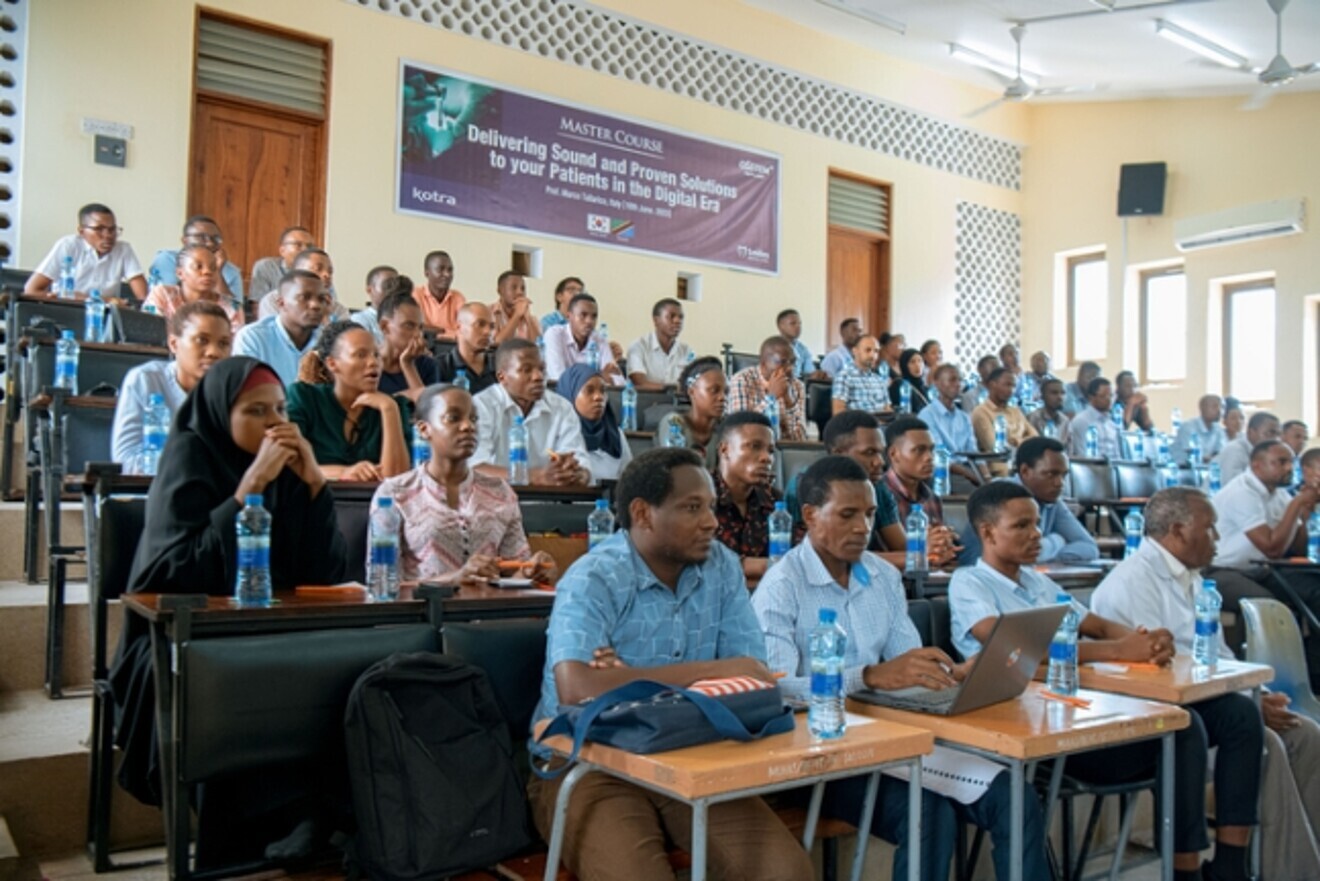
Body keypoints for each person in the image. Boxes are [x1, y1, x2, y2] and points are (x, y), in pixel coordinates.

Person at [754, 456, 1051, 881]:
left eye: (871, 514)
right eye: (847, 514)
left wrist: (949, 675)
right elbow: (778, 691)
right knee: (927, 813)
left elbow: (907, 664)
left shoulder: (882, 576)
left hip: (892, 736)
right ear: (809, 516)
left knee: (1013, 795)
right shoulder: (782, 586)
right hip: (818, 755)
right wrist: (869, 676)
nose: (863, 527)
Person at [527, 447, 814, 881]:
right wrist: (715, 670)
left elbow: (752, 671)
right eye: (692, 508)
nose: (712, 522)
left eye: (712, 507)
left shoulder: (719, 566)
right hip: (589, 762)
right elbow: (576, 688)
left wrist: (627, 680)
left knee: (787, 873)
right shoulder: (593, 578)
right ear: (643, 514)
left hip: (693, 751)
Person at [950, 481, 1259, 881]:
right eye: (1021, 526)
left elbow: (1094, 624)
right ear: (988, 532)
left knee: (1238, 714)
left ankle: (1230, 864)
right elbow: (1009, 648)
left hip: (1077, 709)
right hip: (1030, 728)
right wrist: (1118, 652)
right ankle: (1185, 871)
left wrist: (1143, 640)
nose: (1036, 535)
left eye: (1037, 525)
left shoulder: (1039, 583)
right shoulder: (969, 584)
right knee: (1182, 729)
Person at [109, 357, 348, 867]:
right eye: (256, 411)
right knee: (224, 680)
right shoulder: (187, 457)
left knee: (330, 666)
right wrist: (247, 492)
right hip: (170, 641)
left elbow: (322, 573)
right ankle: (278, 825)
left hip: (263, 625)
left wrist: (313, 486)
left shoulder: (287, 467)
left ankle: (311, 819)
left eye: (282, 410)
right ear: (222, 412)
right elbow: (174, 573)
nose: (274, 424)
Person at [1092, 486, 1320, 881]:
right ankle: (1287, 871)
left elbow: (1220, 657)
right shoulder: (1133, 582)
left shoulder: (1195, 581)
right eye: (1210, 529)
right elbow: (1158, 668)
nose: (1217, 539)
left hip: (1210, 702)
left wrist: (1258, 693)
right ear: (1178, 531)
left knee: (1307, 734)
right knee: (1267, 744)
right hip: (1159, 713)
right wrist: (1246, 697)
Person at [370, 384, 554, 584]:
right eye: (453, 418)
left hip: (490, 612)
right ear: (424, 429)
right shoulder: (394, 493)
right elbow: (381, 583)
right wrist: (455, 578)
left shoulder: (500, 491)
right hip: (425, 612)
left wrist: (532, 572)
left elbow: (516, 575)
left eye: (473, 418)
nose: (468, 426)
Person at [1209, 441, 1320, 664]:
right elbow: (1271, 548)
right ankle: (1259, 673)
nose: (1289, 468)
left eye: (1290, 462)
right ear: (1257, 465)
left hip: (1263, 569)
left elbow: (1296, 549)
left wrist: (1305, 511)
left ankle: (1314, 673)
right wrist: (1297, 503)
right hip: (1222, 571)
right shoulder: (1242, 492)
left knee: (1316, 589)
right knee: (1265, 603)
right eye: (1281, 462)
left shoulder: (1279, 496)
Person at [112, 301, 233, 473]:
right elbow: (126, 459)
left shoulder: (231, 390)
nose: (214, 352)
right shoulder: (146, 380)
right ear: (174, 344)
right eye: (202, 340)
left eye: (223, 344)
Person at [288, 320, 412, 482]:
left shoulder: (394, 406)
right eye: (361, 355)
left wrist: (388, 409)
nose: (373, 362)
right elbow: (289, 464)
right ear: (333, 363)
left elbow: (396, 479)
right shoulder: (305, 398)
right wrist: (343, 473)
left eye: (376, 355)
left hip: (373, 505)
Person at [784, 411, 903, 567]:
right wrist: (914, 558)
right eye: (869, 453)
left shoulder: (876, 485)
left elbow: (904, 548)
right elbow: (825, 558)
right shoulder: (805, 485)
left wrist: (933, 549)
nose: (880, 462)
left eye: (881, 453)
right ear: (838, 453)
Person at [957, 437, 1098, 565]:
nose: (1060, 483)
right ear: (1025, 471)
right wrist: (1056, 541)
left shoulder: (1052, 501)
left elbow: (1089, 547)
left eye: (1063, 475)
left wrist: (1051, 556)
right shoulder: (1001, 497)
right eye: (1051, 474)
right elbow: (1016, 555)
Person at [472, 339, 590, 486]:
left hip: (547, 502)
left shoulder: (562, 407)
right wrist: (534, 477)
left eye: (542, 369)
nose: (538, 377)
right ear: (502, 377)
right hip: (493, 501)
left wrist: (576, 474)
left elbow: (581, 464)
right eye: (526, 370)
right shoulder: (481, 406)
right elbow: (474, 469)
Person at [26, 202, 147, 301]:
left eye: (112, 229)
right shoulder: (68, 246)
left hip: (103, 317)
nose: (108, 235)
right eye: (99, 229)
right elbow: (31, 290)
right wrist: (103, 300)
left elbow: (144, 298)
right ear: (81, 231)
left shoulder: (123, 250)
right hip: (65, 311)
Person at [879, 417, 960, 563]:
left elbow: (936, 550)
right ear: (893, 454)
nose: (929, 457)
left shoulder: (931, 497)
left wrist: (945, 542)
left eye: (931, 450)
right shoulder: (878, 494)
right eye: (919, 450)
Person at [711, 412, 780, 581]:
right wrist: (762, 566)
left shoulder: (774, 501)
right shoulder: (700, 497)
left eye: (770, 451)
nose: (767, 458)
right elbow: (695, 558)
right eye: (755, 446)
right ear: (724, 449)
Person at [232, 270, 327, 386]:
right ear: (281, 303)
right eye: (304, 297)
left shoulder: (328, 341)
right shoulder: (253, 337)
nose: (316, 305)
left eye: (322, 299)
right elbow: (247, 391)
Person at [555, 364, 633, 484]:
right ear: (570, 395)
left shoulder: (616, 435)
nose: (598, 397)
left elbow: (629, 481)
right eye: (589, 391)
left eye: (602, 391)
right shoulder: (557, 434)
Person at [148, 215, 243, 310]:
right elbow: (165, 297)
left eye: (215, 238)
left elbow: (233, 310)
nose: (210, 243)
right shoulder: (167, 259)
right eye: (201, 237)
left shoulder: (232, 272)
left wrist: (218, 270)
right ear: (184, 241)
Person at [144, 245, 245, 328]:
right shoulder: (162, 294)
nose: (207, 272)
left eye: (213, 268)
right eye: (198, 267)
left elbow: (234, 348)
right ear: (180, 273)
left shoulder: (232, 308)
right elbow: (150, 332)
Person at [727, 336, 807, 440]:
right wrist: (771, 398)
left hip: (782, 451)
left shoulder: (797, 385)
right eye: (782, 362)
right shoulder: (742, 380)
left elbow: (799, 440)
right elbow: (741, 431)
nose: (790, 368)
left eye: (793, 362)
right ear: (763, 364)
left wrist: (790, 403)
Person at [655, 356, 727, 469]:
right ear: (692, 391)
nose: (722, 397)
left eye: (725, 392)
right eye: (714, 390)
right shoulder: (674, 423)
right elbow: (675, 471)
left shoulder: (726, 429)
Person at [544, 292, 623, 385]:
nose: (589, 321)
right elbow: (559, 378)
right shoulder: (554, 335)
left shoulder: (599, 340)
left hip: (592, 397)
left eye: (594, 316)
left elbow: (619, 381)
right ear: (569, 316)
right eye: (583, 315)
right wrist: (600, 378)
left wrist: (607, 379)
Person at [971, 367, 1037, 474]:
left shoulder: (1015, 411)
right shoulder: (981, 412)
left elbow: (1035, 437)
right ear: (992, 385)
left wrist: (1016, 441)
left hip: (1022, 461)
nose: (1011, 390)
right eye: (1007, 385)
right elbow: (994, 445)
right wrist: (1022, 440)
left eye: (1014, 386)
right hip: (1000, 466)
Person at [375, 290, 438, 400]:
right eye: (409, 326)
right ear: (384, 326)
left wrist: (408, 364)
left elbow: (427, 409)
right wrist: (402, 396)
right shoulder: (369, 364)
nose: (417, 334)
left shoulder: (427, 365)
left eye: (420, 327)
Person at [258, 248, 350, 322]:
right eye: (318, 269)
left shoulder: (339, 310)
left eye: (330, 272)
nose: (326, 275)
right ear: (297, 271)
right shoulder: (273, 301)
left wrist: (325, 318)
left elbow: (341, 342)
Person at [625, 298, 691, 389]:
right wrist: (674, 390)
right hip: (646, 401)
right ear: (656, 320)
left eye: (681, 317)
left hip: (679, 402)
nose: (677, 321)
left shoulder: (686, 350)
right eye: (671, 316)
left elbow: (693, 383)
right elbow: (640, 383)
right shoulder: (638, 347)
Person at [436, 302, 498, 394]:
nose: (488, 332)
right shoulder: (440, 367)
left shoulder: (500, 366)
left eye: (492, 327)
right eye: (480, 324)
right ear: (459, 327)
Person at [249, 226, 315, 302]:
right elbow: (258, 306)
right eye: (298, 245)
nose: (305, 250)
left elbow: (328, 308)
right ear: (282, 250)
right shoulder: (266, 267)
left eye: (310, 246)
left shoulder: (320, 270)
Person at [1216, 411, 1281, 485]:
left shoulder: (1265, 453)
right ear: (1251, 432)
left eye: (1278, 434)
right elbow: (1233, 485)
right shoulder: (1234, 450)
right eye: (1270, 433)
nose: (1276, 439)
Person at [1066, 376, 1123, 459]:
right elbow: (1083, 455)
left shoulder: (1112, 424)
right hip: (1090, 468)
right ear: (1091, 398)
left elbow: (1117, 456)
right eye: (1103, 396)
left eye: (1111, 396)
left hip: (1112, 468)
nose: (1109, 400)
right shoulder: (1081, 421)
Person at [831, 334, 889, 415]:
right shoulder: (844, 377)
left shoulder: (879, 380)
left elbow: (888, 409)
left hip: (882, 425)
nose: (873, 355)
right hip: (859, 425)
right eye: (868, 350)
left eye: (876, 351)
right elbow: (838, 414)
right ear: (855, 351)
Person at [413, 250, 466, 335]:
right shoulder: (416, 295)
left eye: (450, 270)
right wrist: (449, 332)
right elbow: (415, 328)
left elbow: (465, 331)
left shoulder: (458, 298)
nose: (447, 274)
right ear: (427, 273)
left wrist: (435, 331)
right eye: (440, 270)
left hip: (453, 346)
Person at [349, 265, 399, 345]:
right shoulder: (360, 319)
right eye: (388, 286)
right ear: (369, 290)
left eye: (397, 286)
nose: (394, 291)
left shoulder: (402, 318)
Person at [1171, 394, 1226, 465]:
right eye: (1215, 406)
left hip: (1207, 470)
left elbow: (1220, 453)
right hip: (1184, 471)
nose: (1219, 411)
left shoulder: (1218, 429)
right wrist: (1214, 459)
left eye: (1222, 407)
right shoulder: (1188, 427)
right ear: (1202, 408)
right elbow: (1193, 455)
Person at [490, 270, 541, 344]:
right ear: (499, 290)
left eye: (523, 289)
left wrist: (528, 318)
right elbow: (496, 343)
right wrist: (517, 315)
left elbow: (538, 345)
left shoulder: (532, 319)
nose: (519, 292)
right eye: (514, 288)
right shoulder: (488, 313)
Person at [776, 308, 825, 381]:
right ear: (781, 326)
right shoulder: (773, 347)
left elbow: (809, 372)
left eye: (799, 323)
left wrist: (816, 374)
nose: (798, 327)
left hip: (798, 386)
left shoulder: (802, 349)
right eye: (793, 323)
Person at [1026, 377, 1071, 446]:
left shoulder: (1065, 420)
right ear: (1043, 396)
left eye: (1063, 393)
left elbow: (1068, 448)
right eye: (1054, 393)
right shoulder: (1034, 418)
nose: (1060, 397)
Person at [888, 347, 930, 413]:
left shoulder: (926, 388)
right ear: (904, 365)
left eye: (920, 361)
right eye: (912, 362)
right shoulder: (899, 385)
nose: (917, 365)